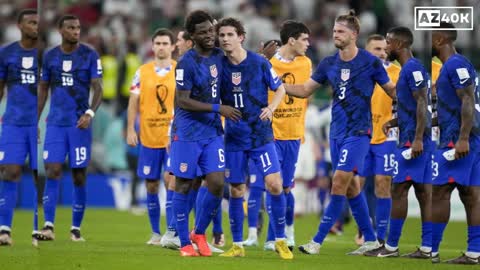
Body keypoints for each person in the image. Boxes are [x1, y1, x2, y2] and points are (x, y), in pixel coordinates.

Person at [283, 10, 396, 255]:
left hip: (359, 132)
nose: (335, 35)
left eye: (341, 31)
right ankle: (371, 239)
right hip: (337, 133)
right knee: (352, 187)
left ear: (354, 35)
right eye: (334, 31)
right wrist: (278, 85)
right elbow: (304, 90)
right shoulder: (328, 63)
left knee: (339, 182)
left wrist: (402, 115)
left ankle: (317, 240)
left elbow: (392, 91)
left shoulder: (370, 62)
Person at [215, 17, 293, 260]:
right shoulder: (218, 65)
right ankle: (237, 245)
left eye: (230, 34)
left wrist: (271, 108)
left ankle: (280, 240)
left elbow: (279, 88)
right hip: (235, 138)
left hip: (260, 135)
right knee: (237, 189)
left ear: (241, 37)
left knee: (275, 184)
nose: (225, 39)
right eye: (222, 35)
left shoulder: (259, 63)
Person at [170, 10, 241, 257]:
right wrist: (218, 107)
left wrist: (260, 59)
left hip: (212, 132)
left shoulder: (220, 56)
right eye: (204, 32)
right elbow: (183, 101)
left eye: (211, 30)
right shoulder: (186, 63)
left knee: (217, 183)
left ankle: (198, 232)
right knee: (184, 184)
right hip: (188, 131)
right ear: (192, 36)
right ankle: (183, 243)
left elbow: (240, 64)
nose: (210, 35)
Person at [244, 21, 312, 251]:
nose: (308, 44)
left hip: (292, 134)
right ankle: (272, 237)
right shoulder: (267, 62)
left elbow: (305, 94)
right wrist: (260, 60)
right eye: (304, 39)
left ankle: (283, 234)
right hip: (268, 134)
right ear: (291, 40)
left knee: (285, 188)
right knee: (270, 184)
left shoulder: (306, 63)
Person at [365, 26, 432, 258]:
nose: (387, 48)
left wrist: (416, 139)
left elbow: (423, 103)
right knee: (423, 192)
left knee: (399, 189)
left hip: (413, 141)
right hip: (413, 136)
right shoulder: (410, 69)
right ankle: (427, 247)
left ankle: (391, 246)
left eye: (390, 43)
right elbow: (413, 106)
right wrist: (394, 122)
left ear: (401, 45)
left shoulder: (411, 69)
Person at [38, 14, 103, 242]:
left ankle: (75, 228)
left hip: (79, 124)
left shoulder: (89, 54)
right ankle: (48, 226)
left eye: (78, 27)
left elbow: (99, 89)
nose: (76, 31)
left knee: (78, 176)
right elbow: (43, 90)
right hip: (56, 123)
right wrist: (34, 121)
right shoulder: (50, 56)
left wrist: (89, 113)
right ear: (60, 30)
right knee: (52, 170)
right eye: (71, 28)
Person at [430, 22, 480, 264]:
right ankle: (474, 252)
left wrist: (461, 138)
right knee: (471, 194)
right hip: (468, 135)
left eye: (432, 37)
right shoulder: (460, 64)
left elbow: (467, 100)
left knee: (440, 192)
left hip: (458, 138)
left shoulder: (455, 64)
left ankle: (432, 250)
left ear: (440, 39)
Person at [126, 28, 176, 245]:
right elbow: (133, 102)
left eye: (165, 43)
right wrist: (130, 129)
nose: (161, 47)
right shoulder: (142, 71)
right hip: (148, 138)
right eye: (158, 43)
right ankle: (156, 232)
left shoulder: (180, 69)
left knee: (172, 182)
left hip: (173, 140)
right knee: (151, 185)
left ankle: (172, 231)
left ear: (173, 46)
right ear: (152, 46)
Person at [354, 34, 400, 246]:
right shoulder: (357, 71)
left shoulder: (397, 73)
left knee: (383, 183)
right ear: (366, 51)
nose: (382, 53)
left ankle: (381, 235)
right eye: (376, 49)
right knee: (357, 184)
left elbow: (408, 103)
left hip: (387, 137)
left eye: (384, 49)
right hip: (362, 134)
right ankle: (364, 231)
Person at [0, 9, 40, 246]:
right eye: (31, 22)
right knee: (10, 171)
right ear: (19, 25)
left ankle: (38, 230)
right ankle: (4, 229)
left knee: (38, 174)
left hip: (38, 123)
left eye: (38, 22)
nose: (35, 26)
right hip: (14, 122)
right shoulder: (6, 53)